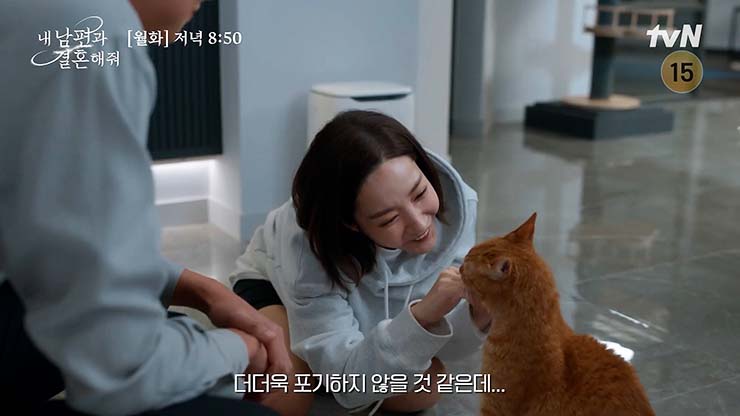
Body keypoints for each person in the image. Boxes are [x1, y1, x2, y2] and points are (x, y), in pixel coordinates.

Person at [0, 1, 290, 414]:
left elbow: (57, 244)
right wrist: (236, 349)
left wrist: (199, 289)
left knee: (155, 308)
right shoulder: (92, 30)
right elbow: (125, 372)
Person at [229, 110, 493, 416]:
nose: (420, 224)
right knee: (287, 392)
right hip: (274, 287)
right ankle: (312, 367)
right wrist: (421, 316)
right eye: (389, 219)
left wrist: (479, 314)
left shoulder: (459, 205)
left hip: (362, 318)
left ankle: (323, 367)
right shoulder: (308, 250)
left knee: (427, 387)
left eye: (420, 193)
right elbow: (349, 385)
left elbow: (447, 346)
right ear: (351, 224)